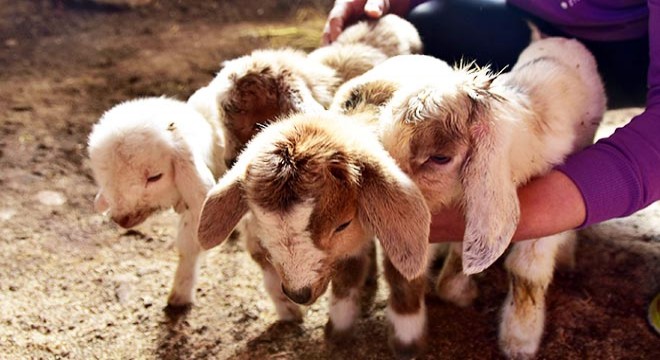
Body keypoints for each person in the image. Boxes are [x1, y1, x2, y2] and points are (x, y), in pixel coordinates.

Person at [323, 0, 660, 336]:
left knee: (554, 150)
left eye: (438, 160)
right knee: (427, 20)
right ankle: (462, 265)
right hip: (533, 24)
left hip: (633, 42)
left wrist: (519, 214)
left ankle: (534, 279)